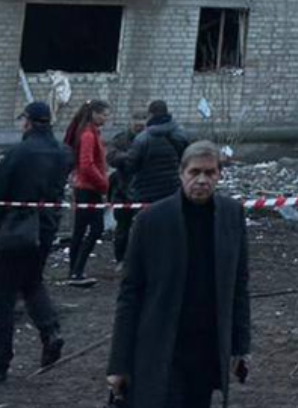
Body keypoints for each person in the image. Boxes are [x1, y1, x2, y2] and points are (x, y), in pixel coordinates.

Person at [108, 141, 252, 408]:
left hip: (207, 347)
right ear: (181, 173)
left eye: (210, 173)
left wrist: (240, 346)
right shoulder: (152, 220)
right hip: (161, 345)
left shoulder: (232, 215)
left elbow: (239, 285)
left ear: (219, 175)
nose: (202, 180)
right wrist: (119, 364)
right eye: (195, 172)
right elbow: (130, 293)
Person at [0, 102, 71, 382]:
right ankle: (51, 331)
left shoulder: (15, 154)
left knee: (3, 296)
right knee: (32, 281)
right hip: (46, 228)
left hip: (15, 229)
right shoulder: (63, 153)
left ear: (29, 122)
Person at [64, 99, 111, 282]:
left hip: (85, 187)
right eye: (104, 114)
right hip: (89, 189)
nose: (106, 118)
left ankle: (74, 270)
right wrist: (103, 184)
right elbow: (87, 165)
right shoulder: (89, 135)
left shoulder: (89, 133)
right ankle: (77, 270)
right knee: (95, 229)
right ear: (94, 114)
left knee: (80, 230)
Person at [124, 100, 193, 204]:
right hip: (174, 191)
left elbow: (131, 166)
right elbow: (188, 160)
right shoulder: (181, 134)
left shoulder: (142, 139)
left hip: (146, 193)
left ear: (150, 115)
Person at [108, 114, 146, 265]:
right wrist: (130, 157)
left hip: (143, 191)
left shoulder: (150, 139)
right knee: (122, 230)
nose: (139, 126)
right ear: (131, 123)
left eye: (142, 124)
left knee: (144, 228)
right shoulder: (121, 139)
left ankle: (140, 261)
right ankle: (120, 260)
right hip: (123, 191)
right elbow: (111, 157)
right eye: (136, 124)